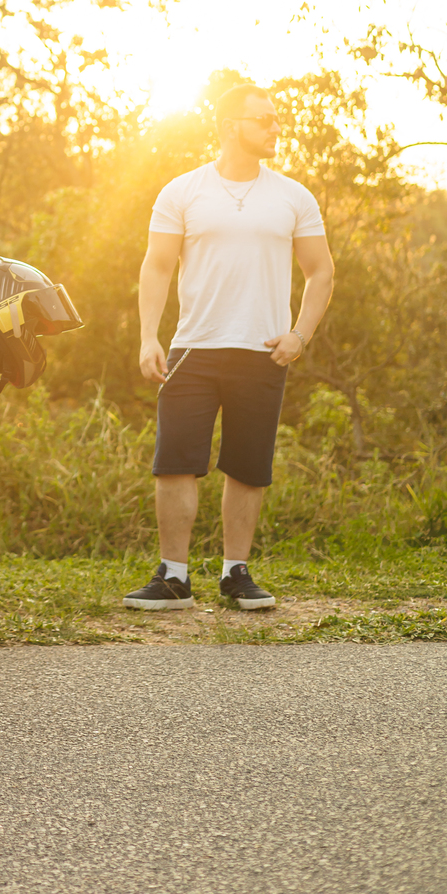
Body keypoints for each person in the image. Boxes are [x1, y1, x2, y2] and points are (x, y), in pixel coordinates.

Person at [124, 83, 334, 614]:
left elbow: (321, 271)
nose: (275, 126)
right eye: (263, 118)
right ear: (229, 125)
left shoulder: (294, 196)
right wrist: (149, 335)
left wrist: (300, 334)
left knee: (247, 465)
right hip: (193, 348)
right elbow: (156, 266)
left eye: (276, 118)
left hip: (264, 351)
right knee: (174, 462)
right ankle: (173, 578)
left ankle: (235, 574)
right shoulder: (182, 191)